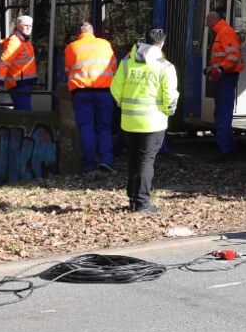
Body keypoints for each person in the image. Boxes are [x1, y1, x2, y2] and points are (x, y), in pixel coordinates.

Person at [110, 28, 178, 214]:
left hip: (129, 121)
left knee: (133, 159)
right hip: (153, 122)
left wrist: (124, 106)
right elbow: (170, 97)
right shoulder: (165, 67)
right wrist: (167, 112)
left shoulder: (126, 63)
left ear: (144, 40)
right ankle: (142, 203)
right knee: (146, 162)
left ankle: (133, 200)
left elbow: (115, 89)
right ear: (161, 44)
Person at [64, 21, 118, 176]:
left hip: (81, 93)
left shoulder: (71, 47)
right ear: (92, 32)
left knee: (86, 128)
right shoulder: (105, 44)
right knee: (104, 127)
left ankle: (89, 165)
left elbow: (68, 70)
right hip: (104, 92)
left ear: (79, 34)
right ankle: (106, 161)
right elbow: (114, 67)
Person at [204, 11, 244, 157]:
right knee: (222, 112)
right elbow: (225, 57)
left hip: (226, 77)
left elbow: (233, 56)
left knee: (223, 113)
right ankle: (225, 147)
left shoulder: (225, 32)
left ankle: (225, 149)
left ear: (213, 20)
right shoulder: (222, 32)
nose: (207, 25)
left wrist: (220, 69)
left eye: (208, 22)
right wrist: (212, 69)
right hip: (225, 76)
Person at [0, 15, 37, 110]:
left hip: (24, 82)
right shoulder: (15, 41)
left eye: (30, 26)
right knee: (24, 110)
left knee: (22, 110)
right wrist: (0, 79)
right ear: (18, 26)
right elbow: (5, 61)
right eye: (25, 25)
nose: (28, 28)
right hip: (18, 83)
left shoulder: (25, 42)